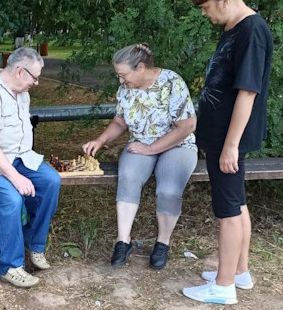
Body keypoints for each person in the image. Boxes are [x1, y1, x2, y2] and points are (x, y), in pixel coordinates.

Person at [182, 0, 273, 305]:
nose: (205, 14)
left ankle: (223, 287)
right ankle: (239, 273)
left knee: (228, 210)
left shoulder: (252, 32)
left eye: (206, 8)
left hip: (228, 138)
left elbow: (247, 93)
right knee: (237, 202)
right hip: (220, 134)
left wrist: (231, 145)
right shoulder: (234, 28)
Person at [83, 43, 197, 270]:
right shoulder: (127, 88)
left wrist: (151, 149)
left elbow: (187, 126)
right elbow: (120, 122)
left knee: (168, 189)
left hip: (177, 144)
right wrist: (100, 140)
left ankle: (163, 243)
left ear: (141, 67)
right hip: (141, 143)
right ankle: (123, 242)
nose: (121, 81)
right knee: (129, 176)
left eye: (123, 75)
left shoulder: (172, 82)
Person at [0, 47, 61, 288]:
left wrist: (19, 169)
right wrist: (16, 178)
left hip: (19, 157)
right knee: (11, 201)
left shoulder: (21, 91)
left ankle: (33, 244)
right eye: (34, 77)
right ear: (19, 71)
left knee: (51, 181)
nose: (37, 83)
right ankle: (10, 265)